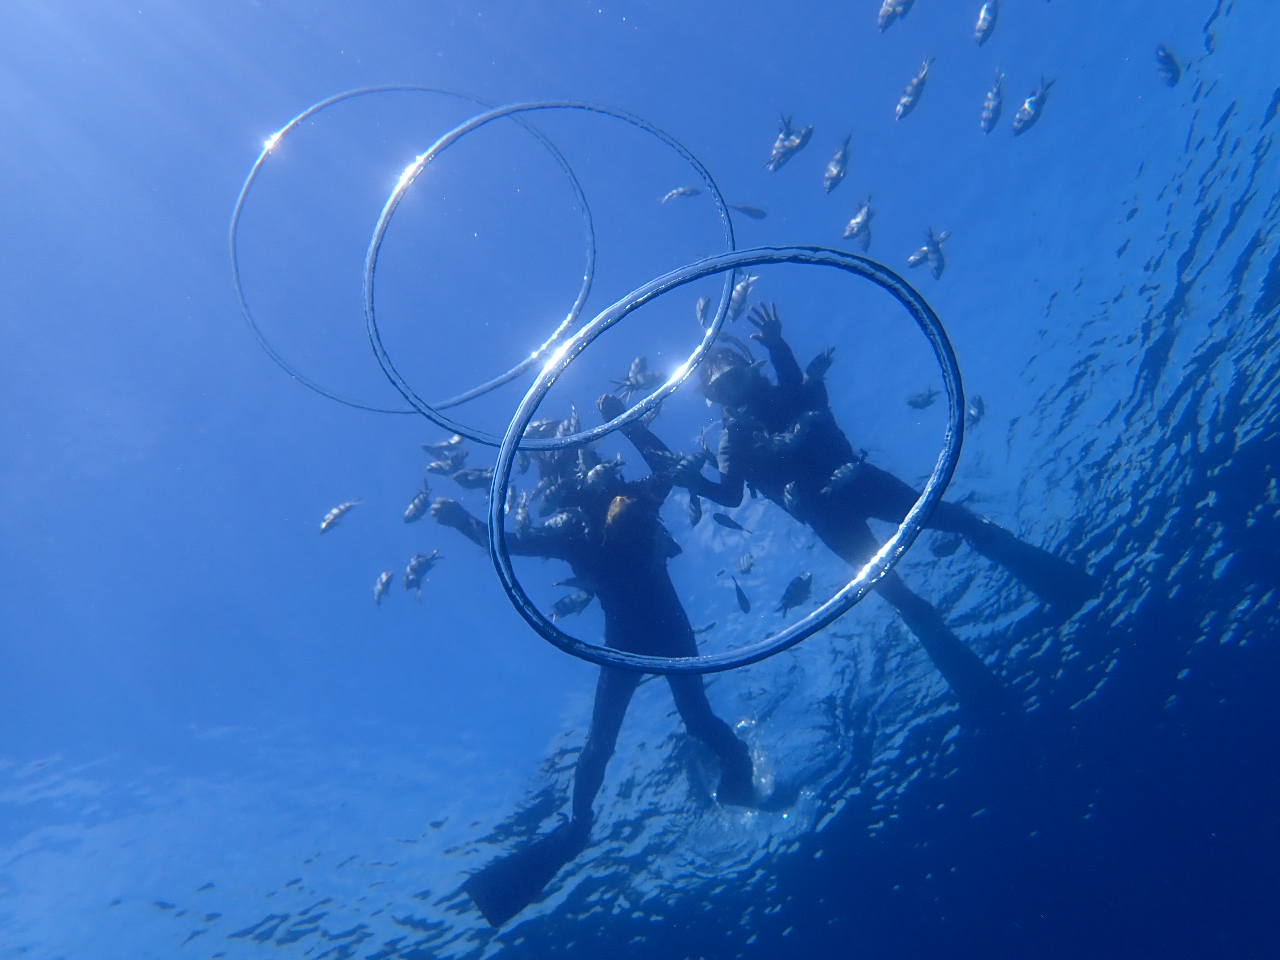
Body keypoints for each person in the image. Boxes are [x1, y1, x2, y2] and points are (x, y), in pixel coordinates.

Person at [628, 304, 1095, 723]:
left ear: (751, 370)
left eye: (735, 375)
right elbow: (729, 497)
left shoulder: (791, 393)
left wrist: (776, 343)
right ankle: (982, 692)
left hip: (864, 483)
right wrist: (694, 483)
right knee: (898, 594)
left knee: (961, 521)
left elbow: (801, 387)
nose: (733, 388)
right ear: (716, 400)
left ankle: (1062, 585)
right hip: (828, 519)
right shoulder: (733, 442)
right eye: (721, 387)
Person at [431, 394, 755, 927]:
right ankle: (576, 831)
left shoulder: (625, 497)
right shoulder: (570, 529)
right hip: (633, 640)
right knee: (609, 742)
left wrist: (625, 420)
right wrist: (464, 521)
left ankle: (734, 763)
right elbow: (507, 544)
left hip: (648, 636)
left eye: (560, 457)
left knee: (684, 724)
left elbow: (668, 471)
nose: (560, 469)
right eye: (551, 463)